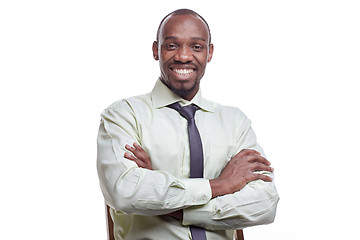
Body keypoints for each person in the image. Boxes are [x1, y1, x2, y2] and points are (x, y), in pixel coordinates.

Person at [97, 8, 279, 240]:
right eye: (172, 45)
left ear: (210, 52)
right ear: (156, 50)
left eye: (196, 46)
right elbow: (124, 192)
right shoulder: (124, 115)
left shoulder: (235, 122)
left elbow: (265, 204)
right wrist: (219, 186)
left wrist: (162, 195)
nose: (183, 56)